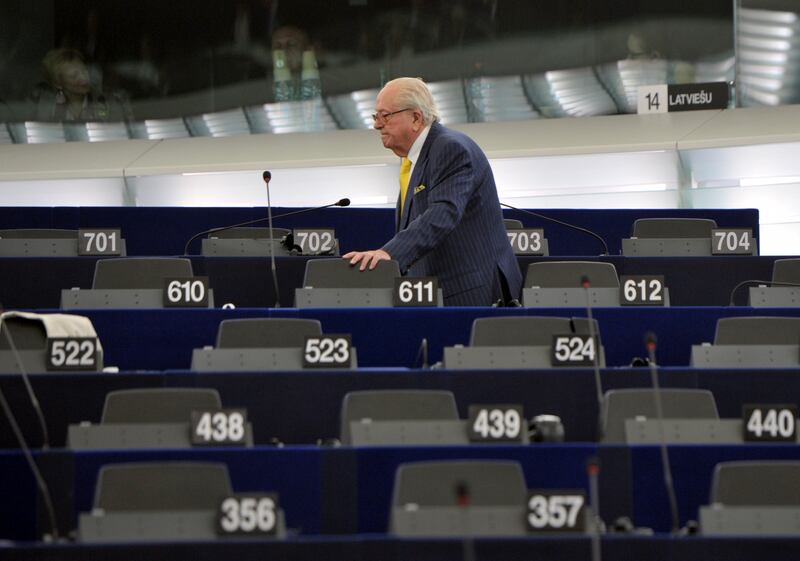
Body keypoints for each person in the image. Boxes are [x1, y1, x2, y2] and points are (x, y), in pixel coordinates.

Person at [343, 77, 522, 307]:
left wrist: (389, 253)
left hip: (471, 291)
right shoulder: (415, 157)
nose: (377, 124)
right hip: (439, 293)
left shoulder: (450, 148)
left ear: (416, 118)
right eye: (376, 116)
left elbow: (443, 212)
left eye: (385, 116)